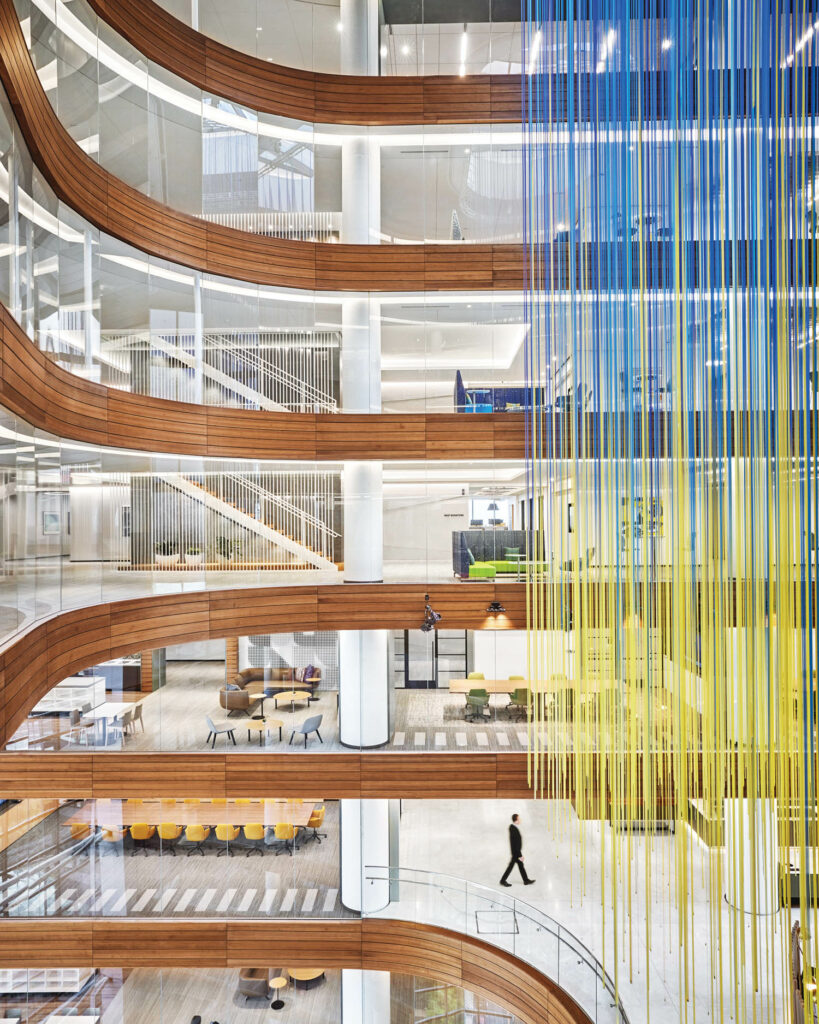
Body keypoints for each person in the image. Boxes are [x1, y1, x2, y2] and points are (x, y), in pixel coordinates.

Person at [500, 812, 535, 887]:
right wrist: (520, 855)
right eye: (519, 819)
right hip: (516, 853)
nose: (520, 820)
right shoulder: (513, 829)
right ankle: (503, 880)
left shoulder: (513, 828)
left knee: (520, 865)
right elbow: (515, 844)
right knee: (511, 866)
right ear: (516, 820)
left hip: (516, 852)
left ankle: (525, 880)